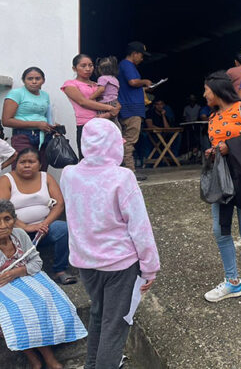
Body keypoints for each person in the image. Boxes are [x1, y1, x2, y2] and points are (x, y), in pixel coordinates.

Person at [60, 118, 160, 368]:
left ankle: (92, 364)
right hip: (119, 264)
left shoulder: (69, 174)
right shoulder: (122, 177)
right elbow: (140, 226)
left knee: (99, 314)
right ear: (114, 144)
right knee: (115, 325)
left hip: (85, 263)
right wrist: (150, 267)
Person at [201, 72, 241, 304]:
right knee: (220, 230)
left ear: (217, 90)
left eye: (206, 91)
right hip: (221, 178)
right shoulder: (213, 117)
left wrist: (230, 146)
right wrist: (213, 152)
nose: (204, 95)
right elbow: (219, 146)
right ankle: (232, 281)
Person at [0, 199, 86, 369]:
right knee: (15, 311)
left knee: (41, 300)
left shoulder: (19, 235)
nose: (2, 225)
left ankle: (45, 359)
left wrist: (15, 272)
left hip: (25, 277)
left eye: (7, 219)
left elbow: (36, 262)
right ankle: (37, 359)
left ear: (14, 220)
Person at [0, 147, 75, 284]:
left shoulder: (46, 177)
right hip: (15, 231)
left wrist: (44, 224)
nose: (27, 165)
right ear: (16, 164)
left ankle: (60, 270)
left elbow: (59, 204)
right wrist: (26, 227)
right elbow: (3, 210)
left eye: (31, 162)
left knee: (63, 229)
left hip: (44, 228)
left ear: (40, 164)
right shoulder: (6, 180)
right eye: (22, 162)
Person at [61, 54, 120, 157]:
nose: (88, 69)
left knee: (107, 159)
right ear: (74, 68)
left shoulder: (98, 84)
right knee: (88, 159)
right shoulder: (70, 84)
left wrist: (110, 113)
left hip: (104, 123)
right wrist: (110, 108)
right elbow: (83, 102)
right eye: (83, 66)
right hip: (86, 125)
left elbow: (114, 101)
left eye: (90, 65)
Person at [2, 67, 57, 170]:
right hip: (23, 137)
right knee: (23, 169)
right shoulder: (16, 93)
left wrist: (53, 127)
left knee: (41, 170)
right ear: (23, 80)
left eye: (38, 78)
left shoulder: (45, 95)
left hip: (44, 137)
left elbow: (45, 117)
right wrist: (36, 124)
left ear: (43, 80)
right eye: (30, 79)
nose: (34, 82)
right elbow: (6, 120)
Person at [118, 41, 154, 181]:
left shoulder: (124, 65)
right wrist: (145, 81)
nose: (142, 59)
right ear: (134, 54)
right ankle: (130, 171)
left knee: (125, 139)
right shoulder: (127, 65)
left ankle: (125, 169)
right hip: (131, 109)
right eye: (141, 55)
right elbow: (133, 82)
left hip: (128, 107)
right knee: (129, 140)